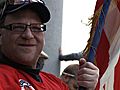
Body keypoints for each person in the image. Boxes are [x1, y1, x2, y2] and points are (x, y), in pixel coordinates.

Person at [0, 0, 99, 90]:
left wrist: (88, 88)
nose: (28, 35)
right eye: (18, 27)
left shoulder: (57, 84)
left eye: (36, 27)